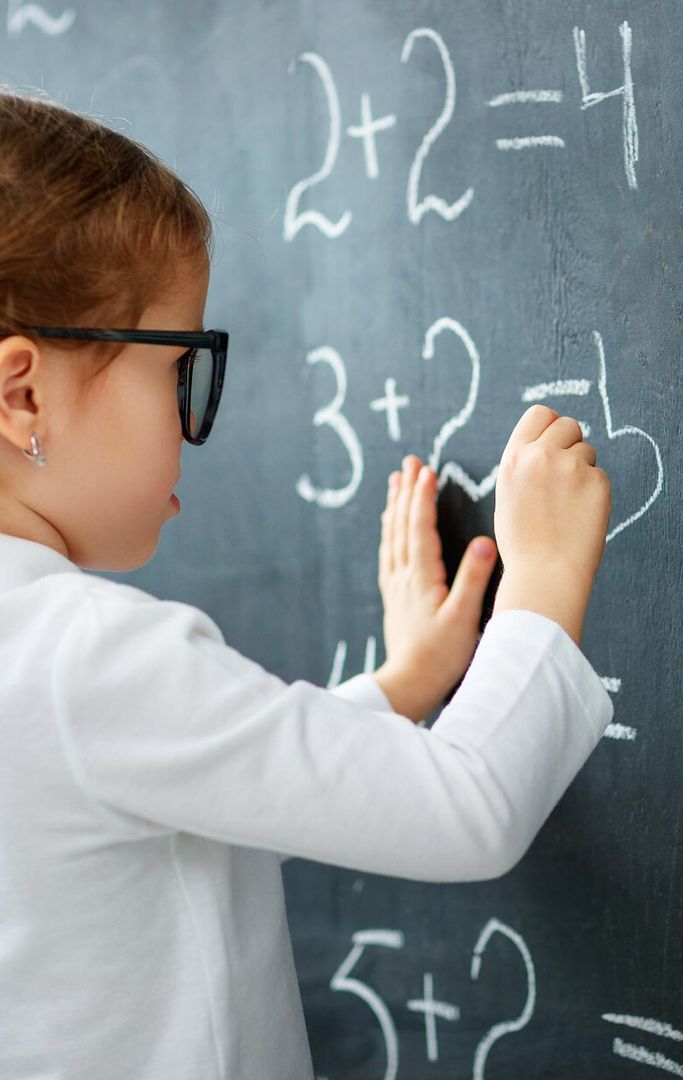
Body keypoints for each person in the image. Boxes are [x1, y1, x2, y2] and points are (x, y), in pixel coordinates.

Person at [0, 91, 613, 1079]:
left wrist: (404, 684)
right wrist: (544, 575)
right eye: (179, 369)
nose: (192, 418)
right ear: (23, 393)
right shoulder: (86, 652)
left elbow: (191, 802)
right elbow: (471, 808)